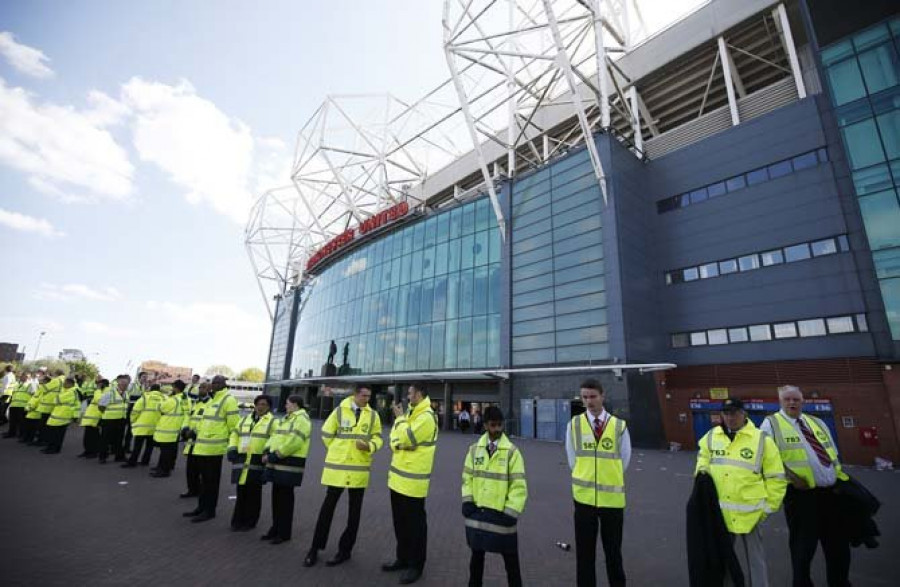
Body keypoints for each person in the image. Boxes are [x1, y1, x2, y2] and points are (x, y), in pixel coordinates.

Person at [759, 385, 851, 587]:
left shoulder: (816, 422)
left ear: (803, 401)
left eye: (796, 399)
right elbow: (766, 459)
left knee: (838, 545)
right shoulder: (771, 424)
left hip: (831, 493)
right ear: (780, 402)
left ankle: (840, 582)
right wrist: (790, 477)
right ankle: (801, 583)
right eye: (787, 399)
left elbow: (832, 452)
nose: (792, 403)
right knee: (803, 546)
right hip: (801, 496)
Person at [696, 398, 787, 586]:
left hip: (751, 513)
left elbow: (776, 477)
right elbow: (702, 457)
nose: (731, 417)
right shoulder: (712, 436)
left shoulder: (762, 440)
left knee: (755, 561)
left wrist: (767, 509)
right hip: (720, 511)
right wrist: (701, 473)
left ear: (744, 413)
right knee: (724, 558)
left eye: (735, 413)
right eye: (727, 413)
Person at [304, 384, 383, 567]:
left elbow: (378, 437)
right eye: (364, 396)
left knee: (354, 515)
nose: (367, 399)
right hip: (337, 469)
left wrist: (370, 447)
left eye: (369, 396)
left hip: (358, 470)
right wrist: (336, 449)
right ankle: (314, 549)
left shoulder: (373, 415)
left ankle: (345, 551)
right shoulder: (339, 411)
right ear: (355, 395)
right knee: (326, 511)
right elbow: (326, 433)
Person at [566, 379, 632, 587]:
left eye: (593, 396)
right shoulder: (574, 425)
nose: (589, 401)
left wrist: (607, 477)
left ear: (603, 396)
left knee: (613, 553)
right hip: (584, 500)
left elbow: (624, 460)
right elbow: (572, 459)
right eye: (584, 397)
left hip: (612, 502)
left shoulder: (619, 427)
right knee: (585, 555)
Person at [462, 406, 527, 587]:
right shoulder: (474, 450)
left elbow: (519, 486)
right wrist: (467, 502)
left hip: (502, 518)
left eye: (500, 425)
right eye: (493, 425)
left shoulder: (512, 452)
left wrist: (510, 512)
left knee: (511, 562)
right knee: (476, 560)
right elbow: (467, 478)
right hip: (479, 515)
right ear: (484, 425)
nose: (497, 429)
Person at [383, 383, 439, 584]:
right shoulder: (411, 414)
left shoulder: (426, 417)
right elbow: (394, 439)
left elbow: (407, 437)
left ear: (419, 394)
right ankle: (403, 558)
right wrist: (400, 437)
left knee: (415, 526)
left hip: (414, 482)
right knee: (400, 523)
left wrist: (399, 421)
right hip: (397, 479)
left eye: (409, 393)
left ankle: (416, 565)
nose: (407, 396)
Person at [183, 375, 239, 523]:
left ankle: (209, 511)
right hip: (201, 447)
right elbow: (204, 422)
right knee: (203, 482)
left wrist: (232, 446)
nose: (213, 385)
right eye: (212, 383)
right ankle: (201, 508)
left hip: (214, 449)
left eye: (216, 382)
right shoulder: (212, 399)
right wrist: (193, 432)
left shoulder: (228, 400)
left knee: (211, 483)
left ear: (223, 384)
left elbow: (234, 426)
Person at [262, 394, 311, 544]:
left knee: (285, 500)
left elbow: (294, 442)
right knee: (277, 498)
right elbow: (275, 437)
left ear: (296, 404)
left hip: (289, 464)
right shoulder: (287, 419)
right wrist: (267, 450)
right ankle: (275, 528)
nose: (285, 406)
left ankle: (283, 533)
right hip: (280, 463)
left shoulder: (302, 420)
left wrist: (275, 455)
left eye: (288, 403)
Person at [228, 395, 276, 531]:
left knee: (254, 492)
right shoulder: (245, 419)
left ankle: (250, 522)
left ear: (269, 407)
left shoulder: (273, 422)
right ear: (254, 405)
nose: (261, 407)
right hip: (242, 458)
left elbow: (275, 438)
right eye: (259, 404)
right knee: (241, 490)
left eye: (264, 405)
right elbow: (234, 434)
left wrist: (267, 452)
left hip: (257, 459)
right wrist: (232, 448)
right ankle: (237, 521)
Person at [152, 380, 190, 478]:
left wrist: (164, 399)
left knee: (165, 451)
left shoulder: (173, 399)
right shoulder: (186, 399)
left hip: (168, 427)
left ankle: (163, 470)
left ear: (176, 388)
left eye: (172, 387)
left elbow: (161, 407)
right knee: (171, 450)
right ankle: (165, 467)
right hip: (177, 427)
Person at [180, 381, 210, 498]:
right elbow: (189, 416)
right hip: (191, 440)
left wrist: (195, 431)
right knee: (191, 469)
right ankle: (192, 489)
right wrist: (185, 429)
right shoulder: (196, 403)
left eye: (203, 388)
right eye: (200, 388)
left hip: (201, 441)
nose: (201, 390)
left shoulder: (210, 404)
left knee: (201, 469)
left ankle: (200, 490)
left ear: (209, 390)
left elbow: (206, 422)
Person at [123, 383, 163, 468]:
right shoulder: (163, 399)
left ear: (150, 389)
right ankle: (145, 461)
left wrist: (133, 421)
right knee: (149, 446)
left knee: (137, 445)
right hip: (155, 426)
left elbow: (135, 411)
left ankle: (132, 462)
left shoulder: (145, 397)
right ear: (159, 390)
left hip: (142, 426)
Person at [42, 377, 80, 454]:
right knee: (53, 432)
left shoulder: (72, 391)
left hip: (63, 415)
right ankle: (50, 447)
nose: (63, 384)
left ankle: (54, 449)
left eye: (65, 383)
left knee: (57, 434)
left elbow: (57, 400)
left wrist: (75, 417)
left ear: (70, 384)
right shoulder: (65, 390)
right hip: (58, 413)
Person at [98, 375, 130, 463]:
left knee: (119, 439)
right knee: (105, 439)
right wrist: (108, 414)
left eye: (126, 384)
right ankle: (102, 457)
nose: (125, 385)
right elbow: (101, 406)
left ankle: (119, 456)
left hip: (121, 420)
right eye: (123, 383)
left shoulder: (126, 393)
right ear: (118, 383)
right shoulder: (110, 393)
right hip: (109, 420)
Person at [35, 369, 65, 446]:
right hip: (54, 404)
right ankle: (46, 440)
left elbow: (44, 388)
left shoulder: (57, 380)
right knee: (48, 425)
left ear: (57, 373)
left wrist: (41, 382)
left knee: (44, 425)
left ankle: (42, 440)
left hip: (47, 405)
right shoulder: (64, 380)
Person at [79, 378, 108, 458]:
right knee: (88, 436)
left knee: (93, 436)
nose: (97, 386)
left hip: (96, 417)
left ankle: (93, 452)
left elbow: (99, 400)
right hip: (91, 417)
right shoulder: (99, 391)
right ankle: (87, 451)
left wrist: (98, 390)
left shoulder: (106, 391)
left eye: (99, 384)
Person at [123, 371, 149, 453]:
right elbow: (125, 394)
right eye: (144, 377)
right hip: (130, 408)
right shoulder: (132, 385)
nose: (145, 378)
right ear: (139, 377)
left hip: (137, 409)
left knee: (131, 430)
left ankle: (126, 447)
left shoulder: (143, 386)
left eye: (146, 377)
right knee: (127, 430)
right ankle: (122, 447)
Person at [3, 372, 32, 439]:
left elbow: (33, 395)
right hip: (14, 405)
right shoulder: (17, 384)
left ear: (29, 377)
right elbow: (13, 393)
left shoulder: (30, 385)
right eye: (23, 376)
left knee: (22, 422)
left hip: (23, 405)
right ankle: (11, 433)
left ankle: (21, 434)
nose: (24, 377)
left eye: (26, 376)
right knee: (12, 421)